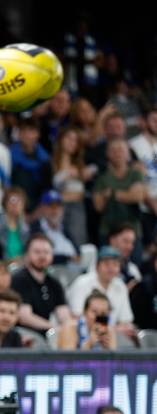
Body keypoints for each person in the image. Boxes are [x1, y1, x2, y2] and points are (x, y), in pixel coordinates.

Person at [66, 245, 137, 342]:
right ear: (97, 265)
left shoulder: (120, 286)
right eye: (107, 264)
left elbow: (126, 322)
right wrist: (112, 330)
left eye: (115, 264)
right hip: (78, 337)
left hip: (108, 338)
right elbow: (77, 319)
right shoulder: (83, 283)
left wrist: (110, 331)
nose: (111, 268)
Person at [10, 233, 72, 339]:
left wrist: (67, 327)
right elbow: (25, 318)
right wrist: (55, 327)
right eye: (37, 252)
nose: (42, 256)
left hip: (48, 336)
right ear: (27, 255)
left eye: (46, 252)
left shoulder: (54, 283)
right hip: (23, 337)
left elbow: (64, 315)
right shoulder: (19, 280)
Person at [92, 137, 145, 250]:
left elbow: (138, 196)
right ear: (107, 154)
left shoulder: (136, 173)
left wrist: (112, 194)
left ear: (128, 153)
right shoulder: (101, 176)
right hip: (108, 231)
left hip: (133, 231)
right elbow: (99, 206)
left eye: (120, 149)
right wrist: (127, 193)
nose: (117, 153)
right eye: (113, 150)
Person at [51, 125, 96, 250]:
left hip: (77, 206)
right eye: (69, 138)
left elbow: (99, 164)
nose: (72, 143)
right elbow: (54, 185)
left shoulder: (80, 163)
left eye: (75, 140)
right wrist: (71, 174)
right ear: (60, 139)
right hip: (56, 206)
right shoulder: (50, 163)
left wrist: (89, 171)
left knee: (78, 242)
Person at [9, 116, 52, 214]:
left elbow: (47, 189)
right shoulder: (9, 155)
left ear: (38, 134)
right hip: (15, 208)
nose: (27, 135)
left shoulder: (45, 160)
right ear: (19, 134)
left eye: (31, 131)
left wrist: (37, 212)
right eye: (24, 131)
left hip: (38, 210)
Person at [128, 104, 157, 245]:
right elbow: (136, 177)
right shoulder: (134, 144)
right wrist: (152, 203)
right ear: (144, 122)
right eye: (154, 120)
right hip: (144, 206)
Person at [0, 186, 31, 263]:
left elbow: (27, 252)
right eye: (12, 200)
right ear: (4, 203)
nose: (16, 204)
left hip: (21, 268)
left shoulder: (25, 228)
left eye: (20, 200)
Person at [108, 221, 142, 290]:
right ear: (112, 240)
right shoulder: (98, 266)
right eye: (126, 241)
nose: (130, 247)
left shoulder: (133, 269)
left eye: (132, 243)